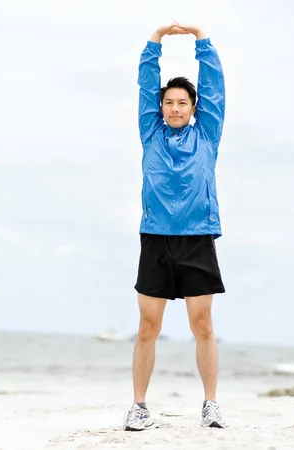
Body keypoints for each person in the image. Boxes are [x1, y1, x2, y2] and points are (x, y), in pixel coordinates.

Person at [123, 21, 227, 430]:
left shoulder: (208, 134)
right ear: (161, 106)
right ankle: (139, 406)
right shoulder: (151, 133)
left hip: (197, 238)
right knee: (148, 326)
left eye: (182, 103)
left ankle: (211, 404)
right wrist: (154, 41)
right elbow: (145, 84)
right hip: (156, 239)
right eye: (169, 102)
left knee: (202, 325)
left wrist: (202, 39)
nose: (175, 108)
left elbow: (215, 86)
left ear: (193, 107)